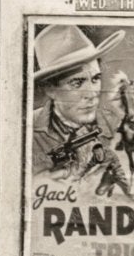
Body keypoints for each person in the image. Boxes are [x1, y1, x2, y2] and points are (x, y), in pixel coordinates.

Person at [29, 22, 126, 177]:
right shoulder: (27, 128)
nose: (92, 93)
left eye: (95, 79)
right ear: (50, 90)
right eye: (77, 83)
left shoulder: (114, 122)